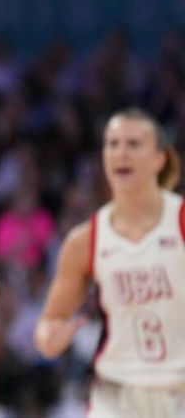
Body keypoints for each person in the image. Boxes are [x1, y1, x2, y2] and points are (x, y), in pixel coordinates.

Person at [34, 108, 185, 417]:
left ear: (160, 158)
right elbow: (49, 323)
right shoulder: (85, 240)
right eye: (112, 144)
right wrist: (51, 338)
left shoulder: (180, 222)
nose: (121, 153)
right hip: (115, 395)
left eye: (133, 144)